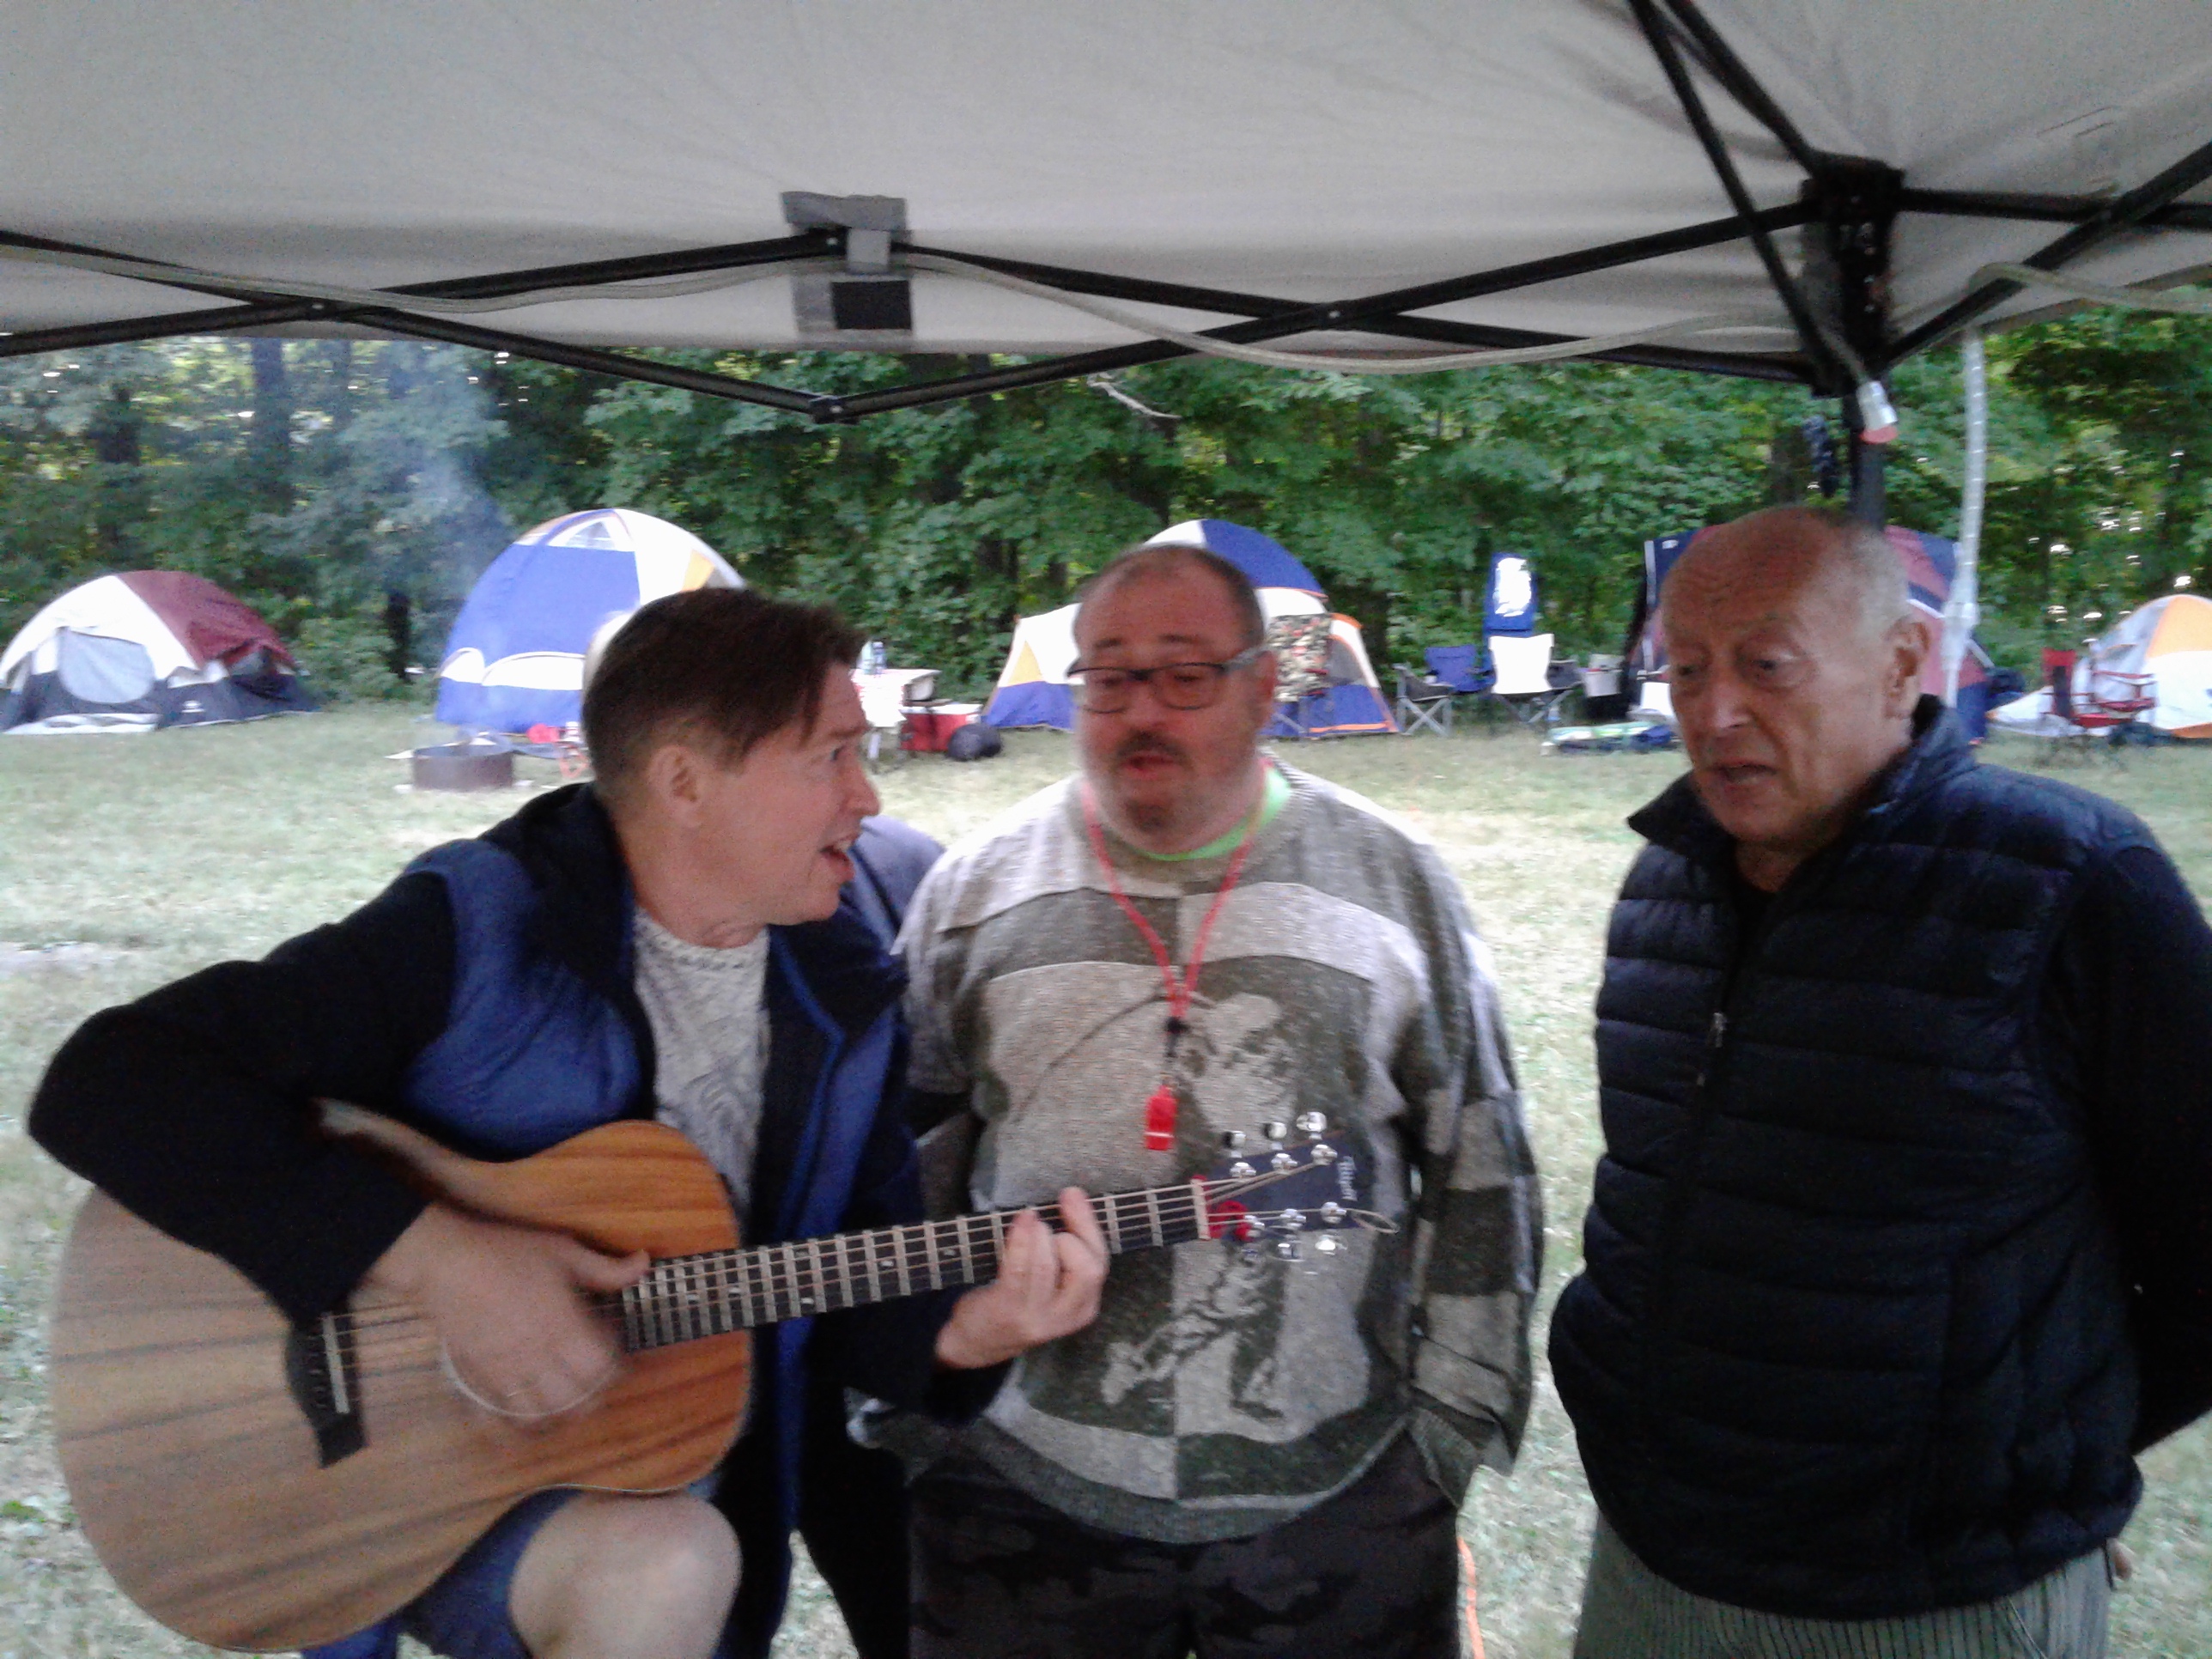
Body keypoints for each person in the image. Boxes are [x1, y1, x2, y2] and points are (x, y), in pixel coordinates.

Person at [30, 586, 1103, 1659]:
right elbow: (111, 1081)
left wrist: (966, 1336)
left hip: (607, 1508)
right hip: (383, 1479)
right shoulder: (480, 928)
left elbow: (831, 1280)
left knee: (677, 1561)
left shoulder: (844, 999)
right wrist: (438, 1259)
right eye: (829, 757)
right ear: (685, 781)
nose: (866, 797)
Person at [1549, 506, 2212, 1658]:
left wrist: (2037, 1461)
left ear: (1903, 661)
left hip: (1935, 1603)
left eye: (1766, 664)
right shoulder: (1667, 882)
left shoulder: (2067, 881)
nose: (1714, 711)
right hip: (1652, 1559)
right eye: (1686, 669)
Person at [882, 541, 1543, 1659]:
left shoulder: (1394, 883)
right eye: (1109, 676)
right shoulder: (973, 892)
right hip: (1018, 1490)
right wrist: (915, 1409)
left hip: (1340, 1497)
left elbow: (1479, 1164)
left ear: (1263, 686)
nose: (1142, 711)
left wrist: (1447, 1433)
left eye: (1185, 675)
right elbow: (899, 1166)